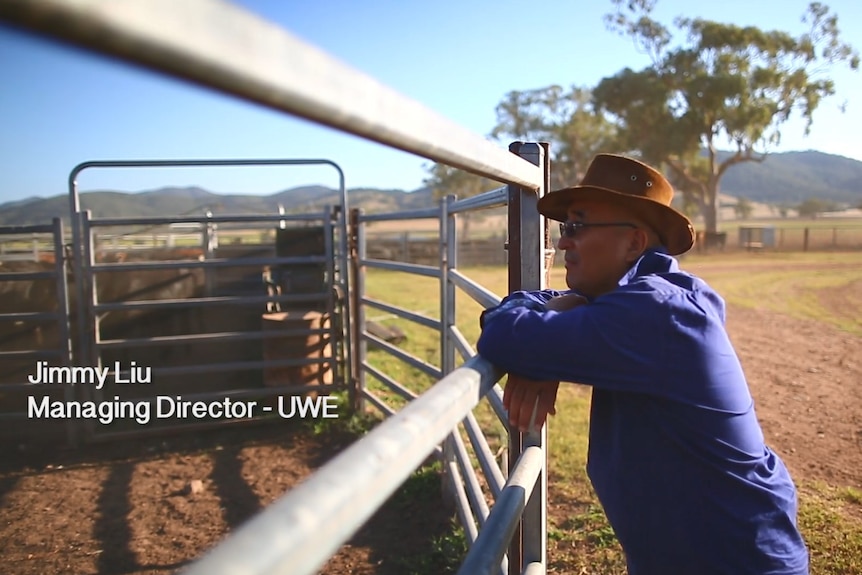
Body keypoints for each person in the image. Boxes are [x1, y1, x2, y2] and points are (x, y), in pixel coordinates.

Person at [476, 154, 809, 574]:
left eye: (578, 226)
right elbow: (524, 320)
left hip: (733, 559)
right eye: (565, 228)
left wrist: (542, 344)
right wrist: (566, 313)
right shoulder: (644, 299)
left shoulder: (655, 312)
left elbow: (504, 334)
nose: (563, 243)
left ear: (633, 243)